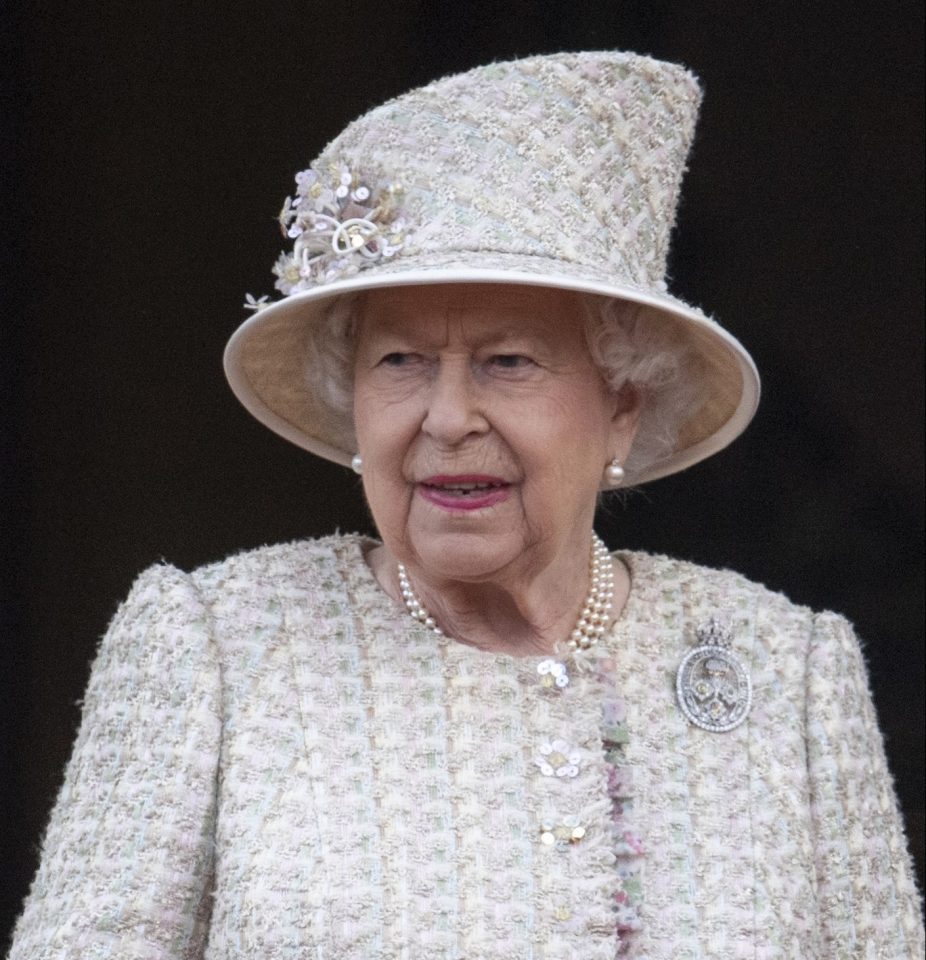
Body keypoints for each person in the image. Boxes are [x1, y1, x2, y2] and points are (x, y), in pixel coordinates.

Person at [9, 50, 923, 959]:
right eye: (400, 361)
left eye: (508, 362)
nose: (447, 419)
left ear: (620, 409)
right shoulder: (215, 647)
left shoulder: (789, 674)